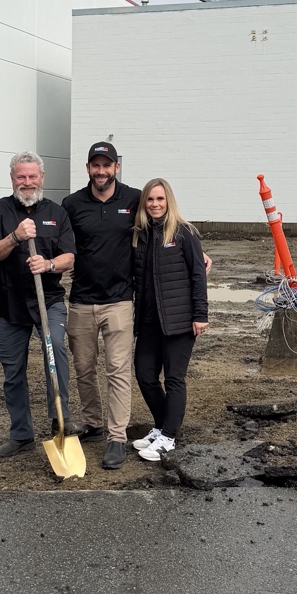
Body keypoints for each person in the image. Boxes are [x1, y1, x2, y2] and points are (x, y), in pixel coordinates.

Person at [0, 151, 76, 459]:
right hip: (9, 303)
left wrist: (48, 264)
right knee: (13, 370)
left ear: (41, 178)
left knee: (56, 350)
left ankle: (60, 420)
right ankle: (21, 434)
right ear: (12, 179)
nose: (27, 182)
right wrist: (14, 237)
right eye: (21, 176)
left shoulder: (57, 213)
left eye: (32, 176)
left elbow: (69, 257)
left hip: (48, 300)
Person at [62, 142, 143, 471]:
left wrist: (195, 250)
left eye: (106, 165)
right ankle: (94, 424)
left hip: (119, 301)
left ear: (116, 168)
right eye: (95, 165)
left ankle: (117, 437)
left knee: (118, 370)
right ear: (87, 168)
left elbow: (164, 222)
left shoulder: (134, 199)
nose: (101, 171)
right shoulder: (72, 204)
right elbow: (60, 242)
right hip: (81, 301)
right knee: (83, 369)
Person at [130, 177, 208, 462]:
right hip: (148, 321)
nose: (155, 204)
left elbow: (198, 274)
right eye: (150, 199)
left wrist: (200, 314)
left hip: (180, 321)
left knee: (174, 378)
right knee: (145, 375)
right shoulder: (139, 235)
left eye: (160, 199)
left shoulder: (184, 233)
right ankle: (162, 426)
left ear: (169, 201)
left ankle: (168, 437)